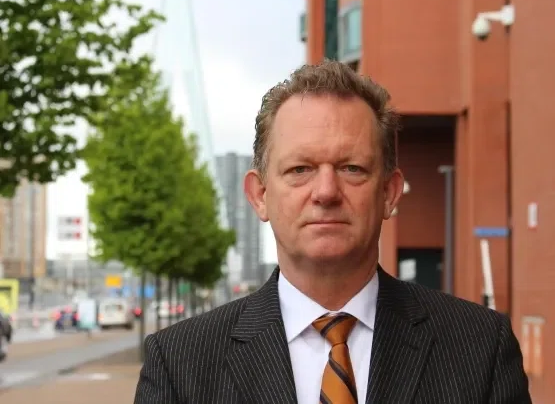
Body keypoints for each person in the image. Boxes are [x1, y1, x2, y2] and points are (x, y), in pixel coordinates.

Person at [134, 60, 532, 404]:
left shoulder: (480, 348)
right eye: (300, 169)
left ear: (389, 193)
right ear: (260, 196)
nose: (326, 192)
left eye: (351, 168)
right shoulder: (180, 363)